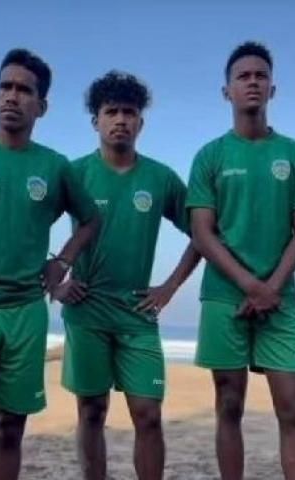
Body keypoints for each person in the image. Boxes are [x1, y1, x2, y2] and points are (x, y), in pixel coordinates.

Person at [58, 71, 201, 480]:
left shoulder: (160, 179)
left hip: (137, 313)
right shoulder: (74, 173)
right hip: (86, 313)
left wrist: (170, 286)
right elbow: (28, 226)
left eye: (129, 112)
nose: (120, 119)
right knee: (91, 411)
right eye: (111, 112)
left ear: (141, 122)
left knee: (148, 414)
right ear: (95, 121)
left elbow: (203, 234)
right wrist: (56, 281)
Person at [187, 42, 295, 480]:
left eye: (261, 75)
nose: (253, 82)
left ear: (273, 88)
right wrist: (249, 284)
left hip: (280, 296)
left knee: (294, 408)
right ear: (226, 91)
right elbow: (203, 232)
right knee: (228, 405)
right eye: (243, 76)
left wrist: (271, 287)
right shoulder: (209, 156)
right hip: (226, 296)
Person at [0, 49, 101, 480]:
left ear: (42, 105)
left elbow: (91, 219)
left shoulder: (55, 167)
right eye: (6, 87)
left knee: (9, 428)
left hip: (25, 313)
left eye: (24, 90)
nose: (13, 96)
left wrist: (63, 262)